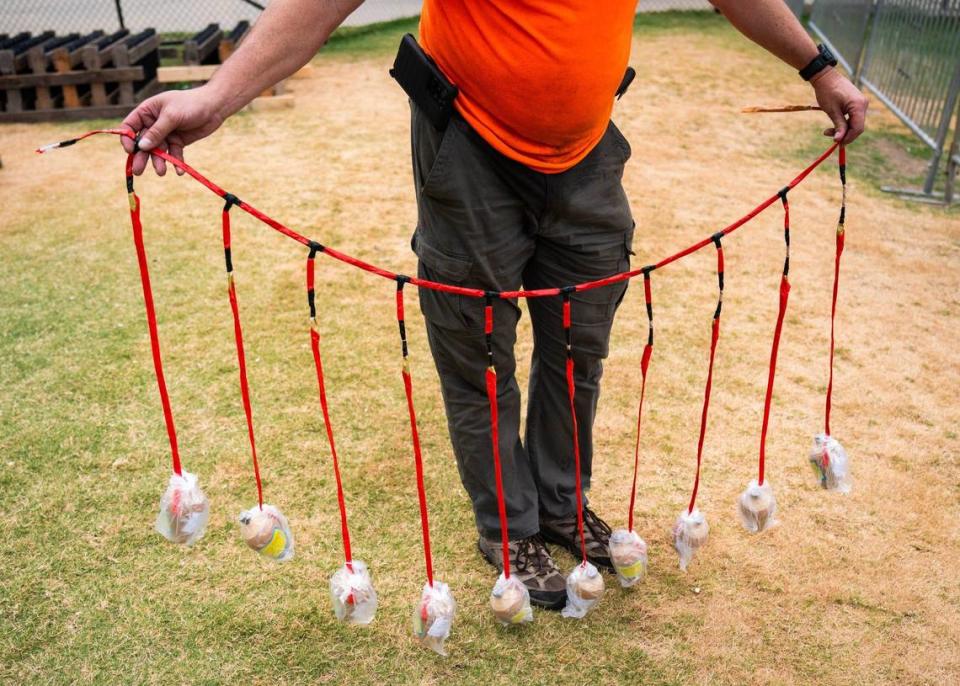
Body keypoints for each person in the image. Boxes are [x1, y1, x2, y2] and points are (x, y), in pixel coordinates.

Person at [122, 0, 868, 610]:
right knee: (478, 351)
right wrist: (215, 98)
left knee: (580, 343)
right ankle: (510, 529)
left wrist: (818, 65)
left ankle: (561, 506)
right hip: (468, 144)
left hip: (586, 147)